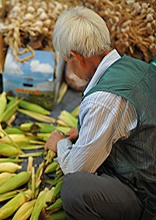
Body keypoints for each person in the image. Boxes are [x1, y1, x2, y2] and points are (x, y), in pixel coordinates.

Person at [44, 6, 156, 220]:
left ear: (77, 58)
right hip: (146, 166)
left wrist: (60, 144)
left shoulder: (103, 101)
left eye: (68, 62)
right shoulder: (136, 66)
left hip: (147, 194)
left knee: (75, 190)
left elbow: (77, 167)